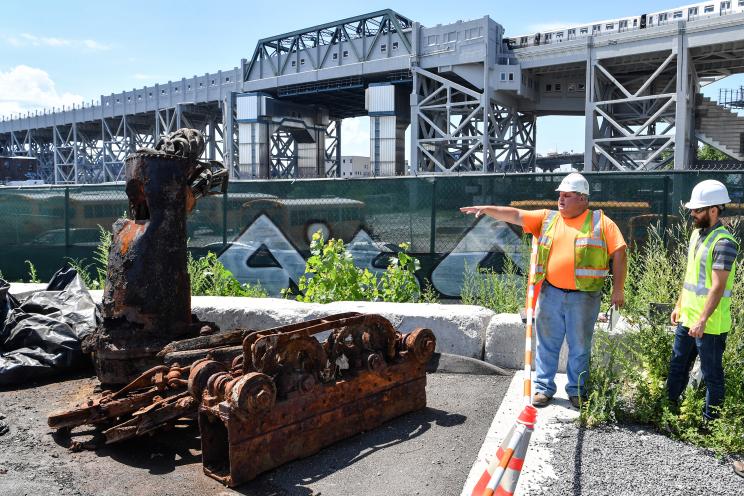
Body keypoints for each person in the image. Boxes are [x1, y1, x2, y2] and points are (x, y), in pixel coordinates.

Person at [460, 172, 627, 408]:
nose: (561, 199)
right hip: (552, 293)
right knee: (547, 344)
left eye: (567, 195)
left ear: (583, 199)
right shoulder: (549, 219)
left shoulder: (601, 223)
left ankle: (577, 390)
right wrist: (488, 209)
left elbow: (619, 253)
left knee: (580, 346)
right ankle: (543, 389)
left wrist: (618, 290)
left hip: (585, 297)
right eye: (560, 194)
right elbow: (516, 214)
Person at [667, 180, 738, 422]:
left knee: (711, 375)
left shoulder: (724, 243)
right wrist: (679, 305)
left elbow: (717, 287)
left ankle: (711, 425)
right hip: (688, 318)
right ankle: (668, 410)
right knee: (677, 365)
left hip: (709, 325)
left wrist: (702, 320)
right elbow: (690, 277)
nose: (692, 214)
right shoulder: (697, 235)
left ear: (714, 210)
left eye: (697, 210)